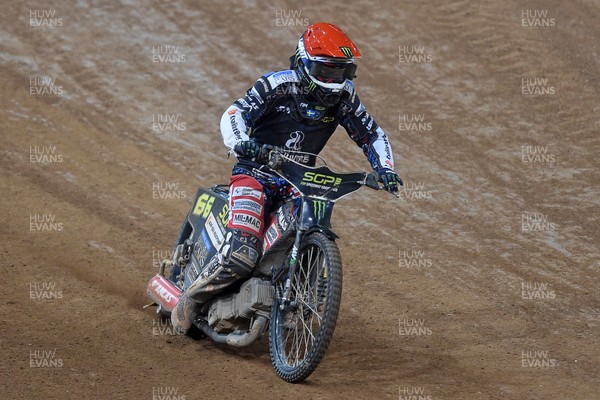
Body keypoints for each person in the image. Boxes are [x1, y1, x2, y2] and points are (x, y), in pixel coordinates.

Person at [172, 22, 402, 332]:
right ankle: (190, 298)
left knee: (312, 226)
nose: (335, 80)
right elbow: (234, 113)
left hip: (299, 182)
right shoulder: (276, 85)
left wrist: (385, 169)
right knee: (242, 251)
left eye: (342, 72)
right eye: (327, 70)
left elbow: (371, 133)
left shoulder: (345, 96)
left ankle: (290, 300)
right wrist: (240, 142)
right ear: (304, 63)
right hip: (256, 173)